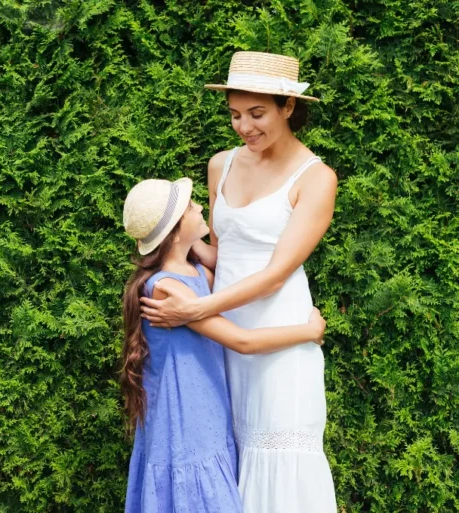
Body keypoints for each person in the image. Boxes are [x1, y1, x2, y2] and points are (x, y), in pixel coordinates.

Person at [140, 52, 338, 513]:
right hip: (224, 334)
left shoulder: (317, 179)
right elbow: (224, 253)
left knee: (279, 452)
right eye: (234, 114)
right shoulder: (220, 165)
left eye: (257, 113)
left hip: (277, 332)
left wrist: (195, 311)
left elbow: (272, 277)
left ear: (288, 107)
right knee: (232, 450)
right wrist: (172, 253)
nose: (244, 127)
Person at [121, 177, 326, 512]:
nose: (201, 206)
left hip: (207, 417)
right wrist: (308, 331)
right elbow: (242, 341)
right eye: (190, 207)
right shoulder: (167, 289)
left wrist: (193, 244)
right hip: (185, 425)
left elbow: (238, 268)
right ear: (174, 229)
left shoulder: (197, 273)